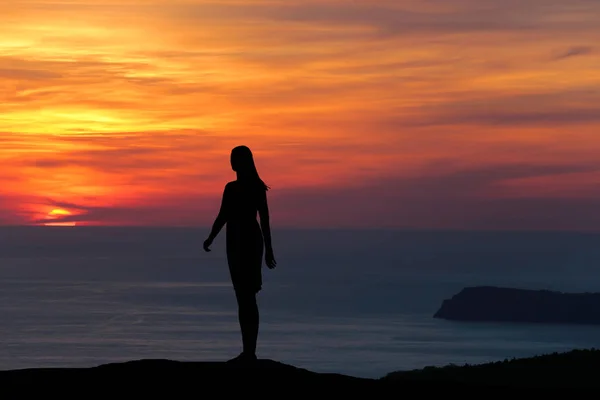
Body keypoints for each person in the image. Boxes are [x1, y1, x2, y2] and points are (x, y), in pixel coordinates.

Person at [203, 145, 277, 363]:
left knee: (247, 297)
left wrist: (269, 250)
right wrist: (211, 237)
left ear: (242, 161)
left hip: (247, 242)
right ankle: (248, 351)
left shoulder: (253, 187)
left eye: (234, 158)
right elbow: (223, 216)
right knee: (243, 297)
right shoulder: (232, 188)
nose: (231, 162)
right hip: (235, 242)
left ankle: (249, 352)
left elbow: (264, 219)